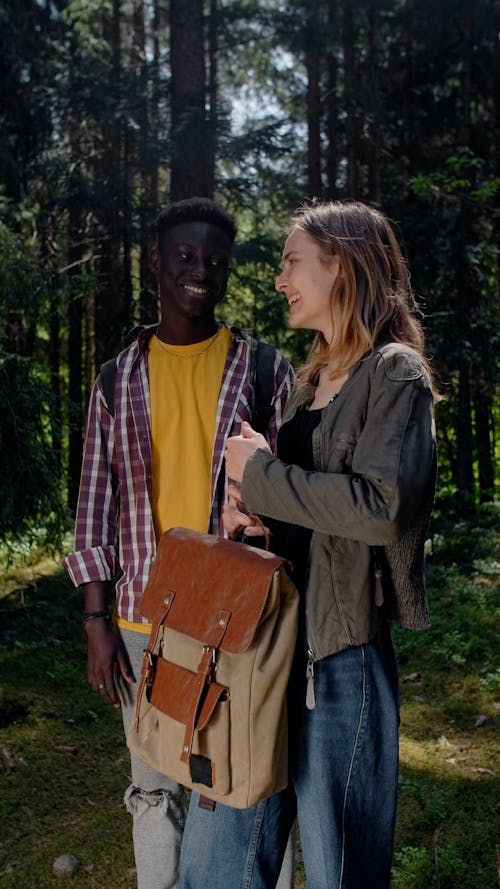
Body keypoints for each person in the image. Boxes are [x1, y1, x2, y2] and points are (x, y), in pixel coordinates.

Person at [178, 199, 437, 889]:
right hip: (264, 654)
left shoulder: (395, 376)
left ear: (342, 266)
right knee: (217, 864)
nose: (279, 279)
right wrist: (255, 520)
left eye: (292, 261)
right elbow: (307, 516)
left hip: (341, 666)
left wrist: (262, 476)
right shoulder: (309, 378)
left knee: (338, 872)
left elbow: (380, 509)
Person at [64, 197, 296, 889]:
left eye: (216, 262)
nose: (201, 272)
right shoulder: (117, 378)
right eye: (186, 258)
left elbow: (293, 499)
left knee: (246, 781)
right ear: (158, 264)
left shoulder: (263, 370)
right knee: (155, 788)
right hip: (142, 621)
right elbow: (93, 506)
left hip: (234, 619)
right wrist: (96, 622)